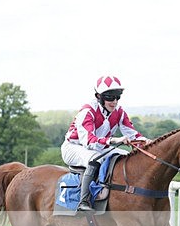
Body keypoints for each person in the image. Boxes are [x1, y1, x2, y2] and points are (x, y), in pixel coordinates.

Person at [61, 76, 149, 212]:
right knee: (94, 158)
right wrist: (113, 140)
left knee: (127, 156)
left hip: (101, 147)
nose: (114, 101)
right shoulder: (87, 111)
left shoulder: (119, 112)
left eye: (117, 97)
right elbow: (89, 141)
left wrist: (148, 142)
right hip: (74, 147)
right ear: (98, 96)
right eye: (110, 97)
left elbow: (133, 134)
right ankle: (83, 202)